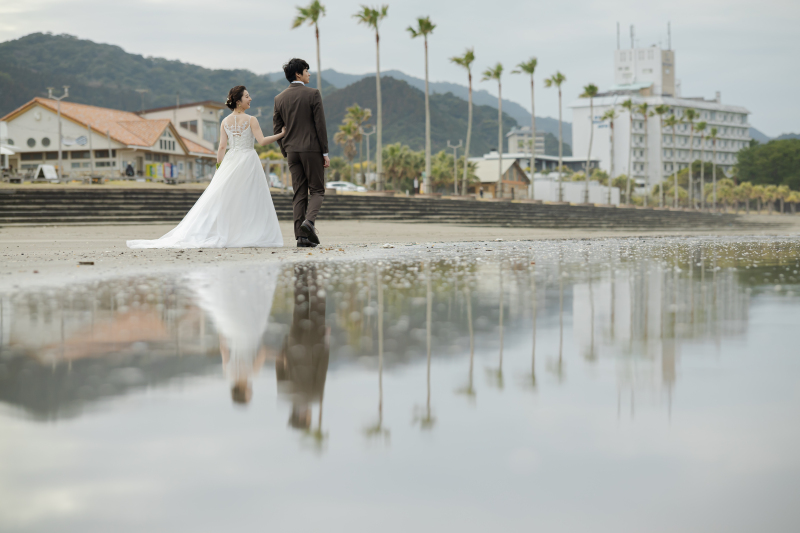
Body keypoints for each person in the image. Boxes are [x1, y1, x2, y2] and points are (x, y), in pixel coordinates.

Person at [126, 86, 284, 249]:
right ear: (238, 101)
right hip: (248, 160)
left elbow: (222, 147)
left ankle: (230, 232)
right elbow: (263, 141)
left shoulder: (225, 121)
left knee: (227, 198)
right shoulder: (251, 119)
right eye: (247, 96)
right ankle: (247, 232)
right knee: (250, 198)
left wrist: (219, 168)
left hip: (230, 160)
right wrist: (282, 133)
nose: (250, 99)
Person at [273, 58, 330, 248]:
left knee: (298, 193)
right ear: (299, 74)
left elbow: (277, 129)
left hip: (291, 151)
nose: (309, 74)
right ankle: (309, 223)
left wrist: (286, 150)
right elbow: (320, 125)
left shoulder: (279, 98)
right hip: (312, 148)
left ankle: (301, 238)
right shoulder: (313, 94)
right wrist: (325, 152)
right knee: (318, 190)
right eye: (307, 70)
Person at [276, 264, 329, 430]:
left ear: (305, 417)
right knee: (300, 308)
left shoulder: (314, 396)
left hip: (315, 348)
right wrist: (286, 344)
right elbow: (280, 364)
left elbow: (322, 369)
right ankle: (300, 270)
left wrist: (326, 343)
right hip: (294, 346)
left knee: (318, 306)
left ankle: (312, 273)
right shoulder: (286, 393)